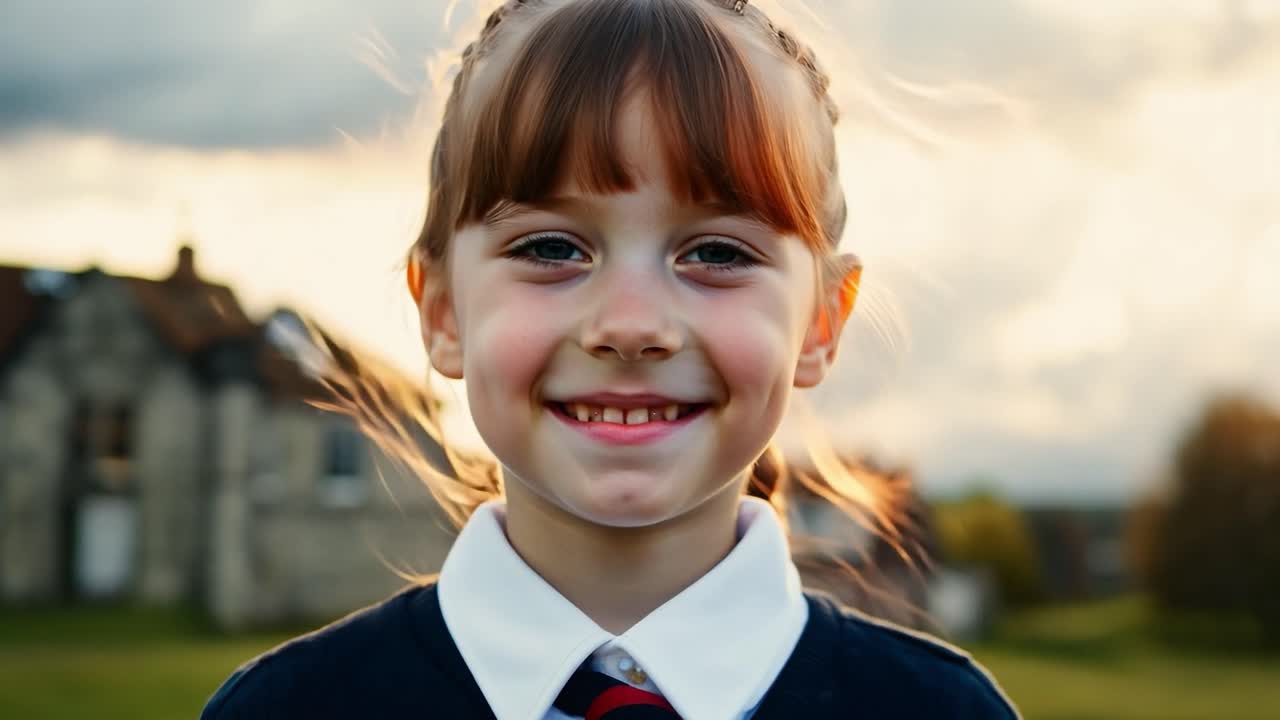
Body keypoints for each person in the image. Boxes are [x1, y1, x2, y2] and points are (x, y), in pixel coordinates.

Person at [201, 0, 1019, 717]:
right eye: (553, 247)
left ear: (819, 324)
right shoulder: (283, 709)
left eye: (718, 253)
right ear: (442, 311)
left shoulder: (944, 712)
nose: (630, 327)